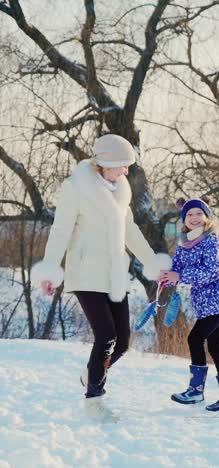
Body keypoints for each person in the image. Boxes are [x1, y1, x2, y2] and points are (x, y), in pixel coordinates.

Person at [31, 134, 171, 420]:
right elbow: (60, 231)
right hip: (85, 272)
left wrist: (153, 265)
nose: (126, 171)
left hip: (114, 274)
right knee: (106, 335)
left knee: (123, 342)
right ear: (106, 163)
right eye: (122, 165)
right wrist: (49, 269)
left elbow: (131, 231)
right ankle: (94, 403)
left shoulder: (121, 190)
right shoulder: (75, 188)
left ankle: (91, 373)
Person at [159, 196, 219, 411]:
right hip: (205, 302)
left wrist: (180, 276)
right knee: (215, 346)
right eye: (190, 215)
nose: (194, 218)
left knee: (195, 338)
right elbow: (176, 268)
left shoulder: (211, 241)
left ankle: (196, 391)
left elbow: (212, 271)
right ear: (184, 219)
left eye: (198, 214)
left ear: (206, 217)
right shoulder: (184, 243)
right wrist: (166, 277)